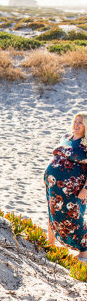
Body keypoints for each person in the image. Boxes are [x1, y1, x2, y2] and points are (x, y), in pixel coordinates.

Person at [44, 112, 87, 261]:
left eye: (80, 123)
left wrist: (86, 189)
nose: (76, 125)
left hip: (73, 189)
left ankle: (84, 252)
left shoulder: (86, 144)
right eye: (75, 121)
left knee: (75, 217)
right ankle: (50, 242)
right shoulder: (66, 138)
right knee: (52, 210)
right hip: (53, 183)